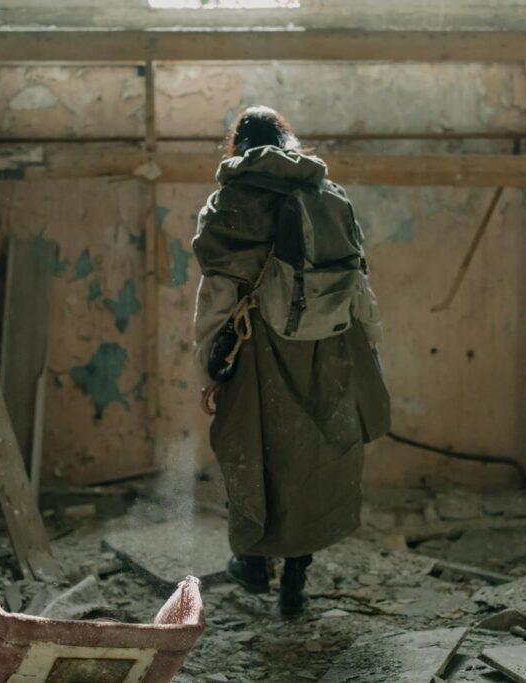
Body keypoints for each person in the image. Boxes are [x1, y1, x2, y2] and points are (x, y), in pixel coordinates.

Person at [192, 106, 391, 616]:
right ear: (288, 140)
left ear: (236, 145)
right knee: (314, 463)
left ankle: (254, 564)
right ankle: (295, 584)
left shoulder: (231, 203)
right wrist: (370, 345)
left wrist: (210, 368)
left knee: (249, 451)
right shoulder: (330, 196)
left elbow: (217, 294)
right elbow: (358, 282)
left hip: (255, 347)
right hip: (330, 350)